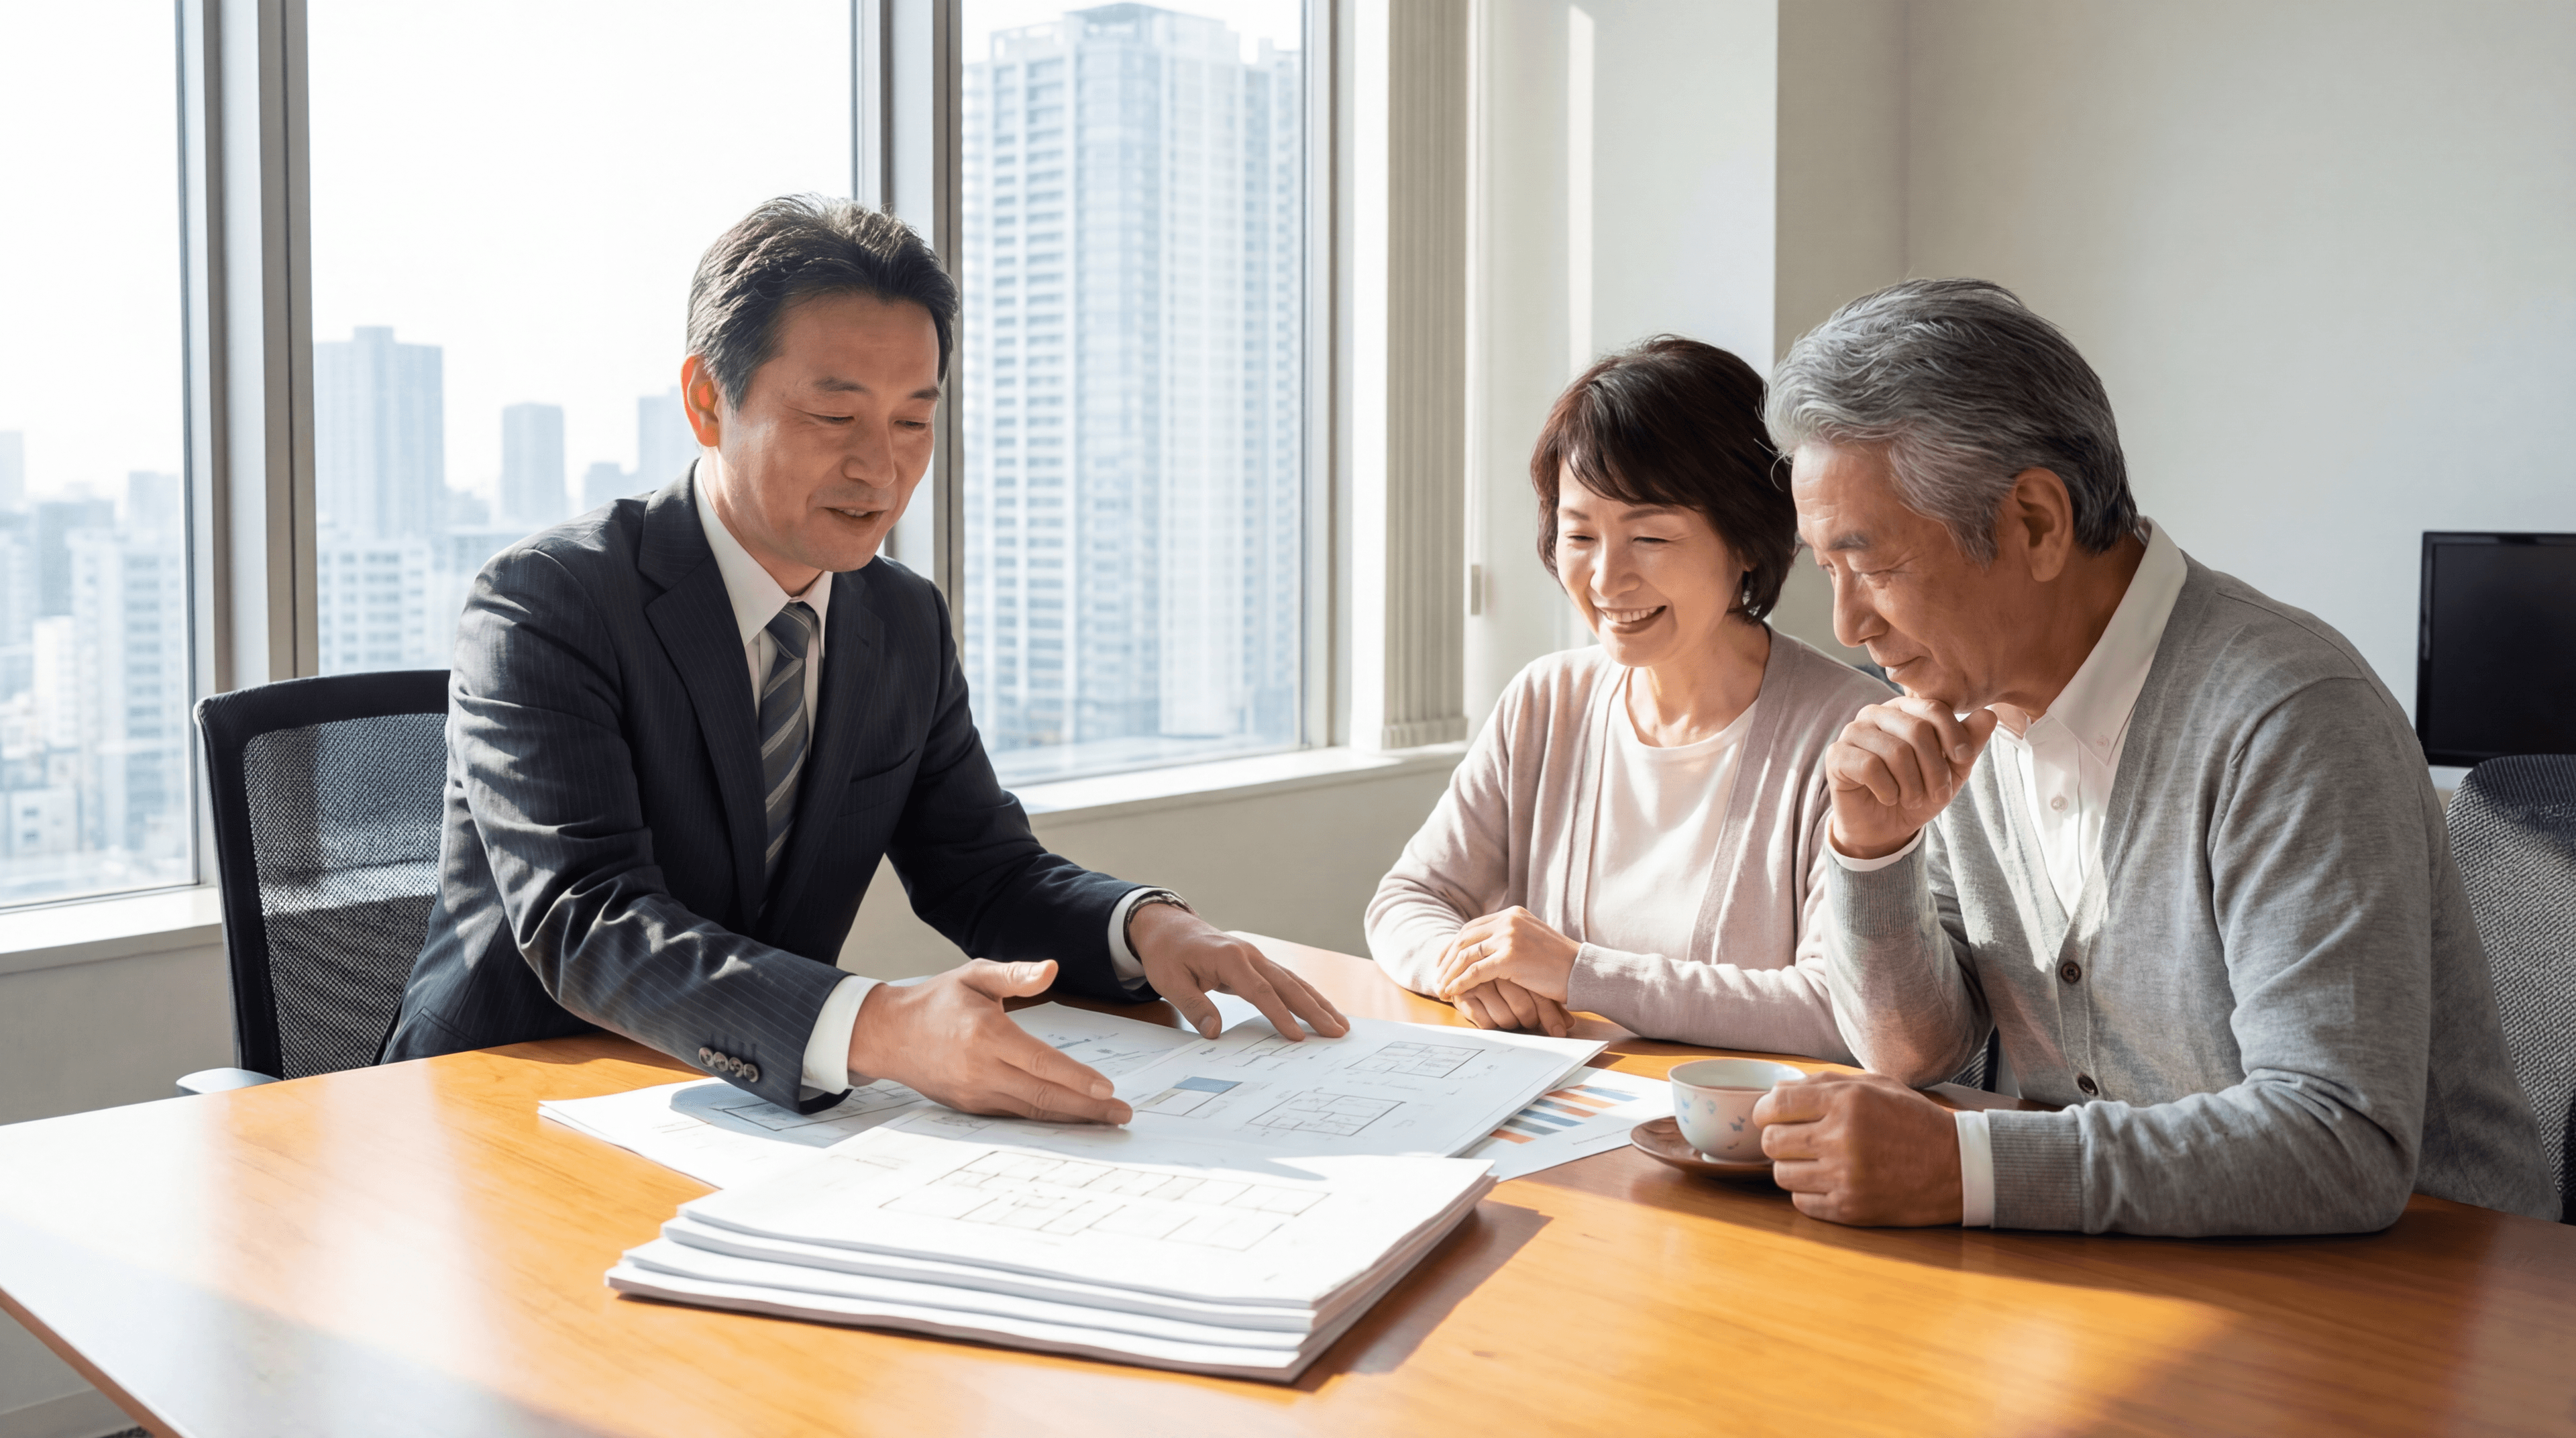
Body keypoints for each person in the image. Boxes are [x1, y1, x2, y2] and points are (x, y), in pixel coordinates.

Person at [383, 196, 1345, 1120]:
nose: (881, 468)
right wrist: (880, 1023)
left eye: (914, 421)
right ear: (707, 399)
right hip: (500, 1105)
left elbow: (982, 868)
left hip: (750, 1110)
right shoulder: (550, 601)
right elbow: (587, 919)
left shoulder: (902, 619)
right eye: (835, 417)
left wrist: (1142, 925)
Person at [1750, 278, 2557, 1233]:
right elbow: (1915, 1054)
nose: (1849, 624)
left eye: (1875, 565)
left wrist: (1969, 1166)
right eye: (1830, 570)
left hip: (2431, 1303)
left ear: (2038, 523)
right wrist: (1872, 854)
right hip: (2146, 1277)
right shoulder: (1965, 698)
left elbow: (2341, 1139)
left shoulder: (2287, 718)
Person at [1365, 337, 1892, 1054]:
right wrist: (1471, 972)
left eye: (1649, 537)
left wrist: (1578, 974)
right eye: (1580, 533)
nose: (1607, 580)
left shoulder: (1850, 732)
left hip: (1740, 1136)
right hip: (1561, 1112)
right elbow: (1407, 901)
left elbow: (1835, 1008)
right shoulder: (1547, 701)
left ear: (1746, 539)